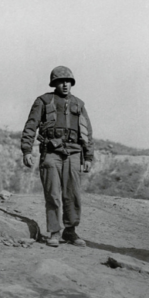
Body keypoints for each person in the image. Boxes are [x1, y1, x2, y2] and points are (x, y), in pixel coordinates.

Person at [20, 66, 93, 247]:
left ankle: (70, 231)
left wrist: (89, 157)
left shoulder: (79, 104)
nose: (65, 85)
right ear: (54, 83)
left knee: (73, 194)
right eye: (61, 81)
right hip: (51, 153)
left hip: (74, 154)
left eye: (68, 81)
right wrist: (27, 150)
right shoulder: (43, 101)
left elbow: (87, 132)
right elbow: (31, 126)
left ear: (72, 83)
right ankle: (54, 231)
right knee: (52, 194)